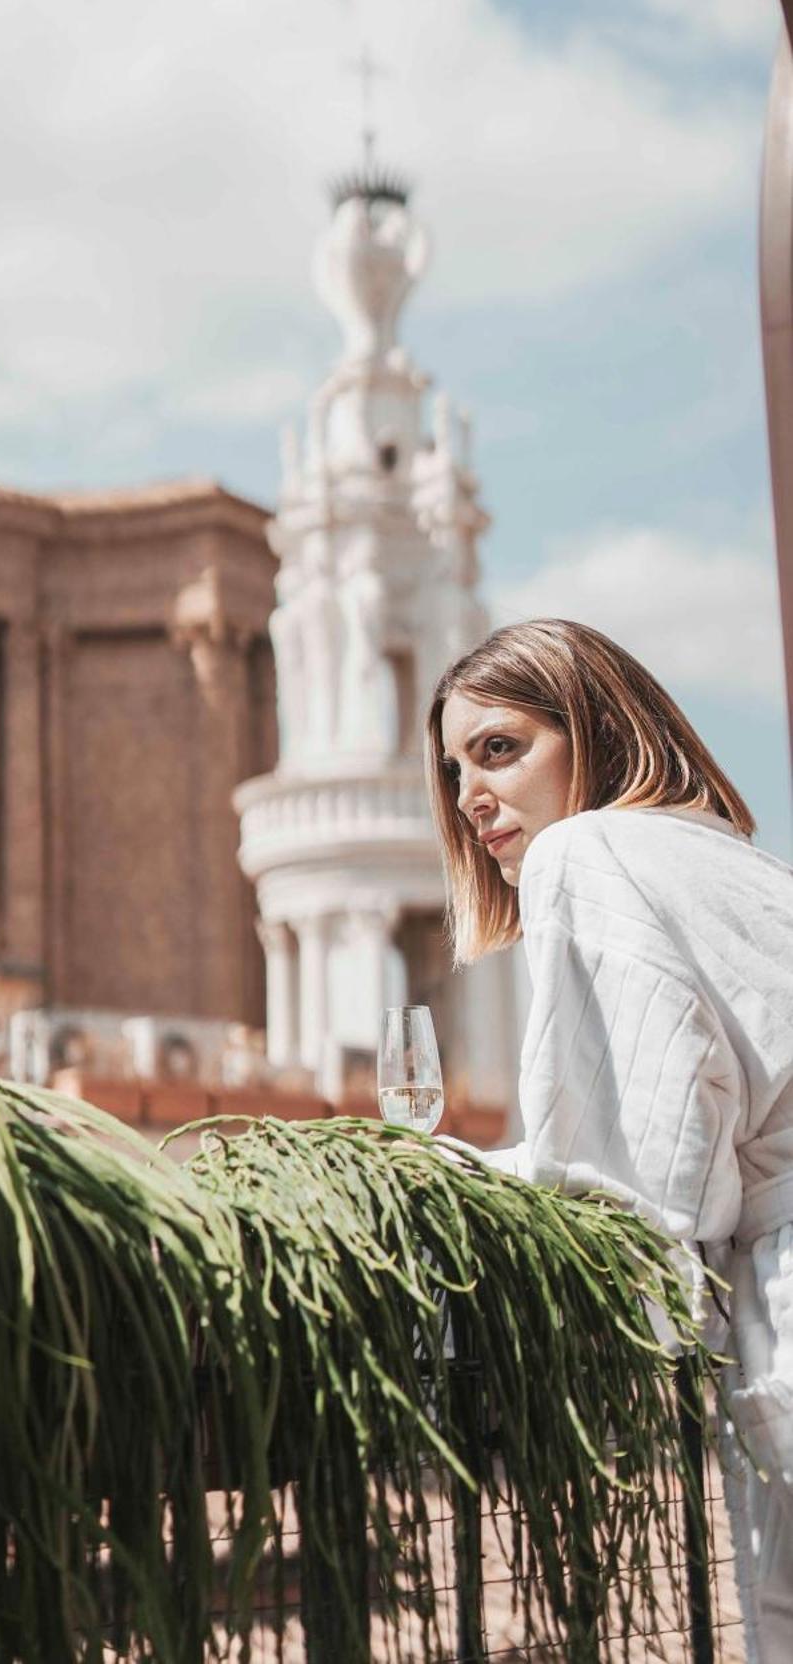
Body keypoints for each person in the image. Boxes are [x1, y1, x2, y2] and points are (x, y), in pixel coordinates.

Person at [426, 617, 793, 1662]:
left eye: (500, 747)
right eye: (454, 768)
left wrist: (440, 1186)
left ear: (593, 723)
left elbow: (636, 1181)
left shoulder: (583, 851)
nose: (469, 795)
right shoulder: (735, 861)